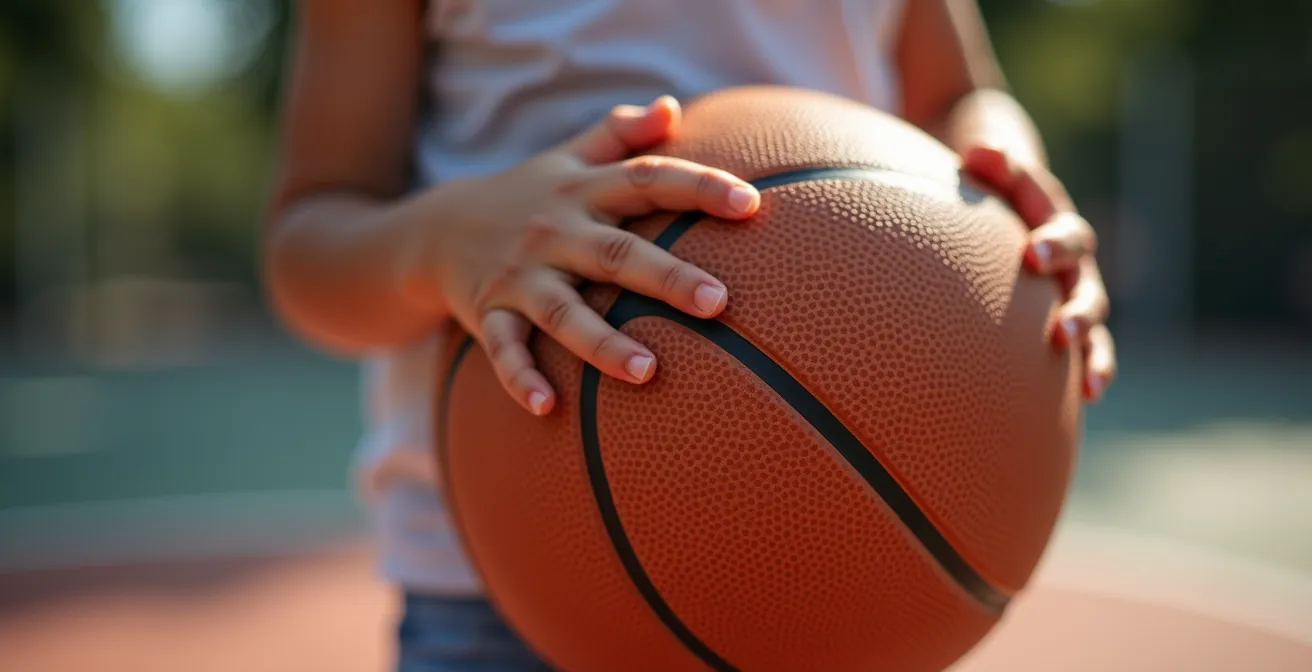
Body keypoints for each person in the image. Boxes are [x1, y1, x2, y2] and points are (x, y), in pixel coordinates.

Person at [262, 0, 1117, 669]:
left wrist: (1009, 179)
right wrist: (444, 241)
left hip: (849, 584)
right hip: (505, 591)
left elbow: (962, 95)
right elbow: (310, 241)